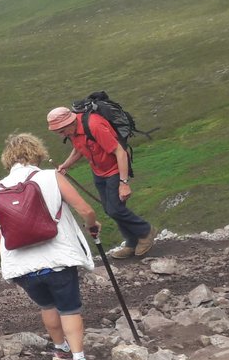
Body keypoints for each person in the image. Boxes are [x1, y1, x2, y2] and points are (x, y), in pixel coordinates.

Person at [0, 133, 102, 360]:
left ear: (8, 160)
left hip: (24, 268)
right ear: (37, 152)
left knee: (47, 306)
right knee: (69, 308)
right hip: (58, 259)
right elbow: (85, 210)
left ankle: (60, 351)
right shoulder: (51, 177)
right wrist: (93, 225)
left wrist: (13, 263)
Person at [47, 105, 155, 259]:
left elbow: (120, 152)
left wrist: (124, 183)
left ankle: (146, 231)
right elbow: (79, 148)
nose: (61, 135)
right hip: (98, 171)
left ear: (69, 123)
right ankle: (131, 242)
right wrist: (66, 165)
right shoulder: (73, 130)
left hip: (114, 170)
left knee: (115, 209)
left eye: (61, 131)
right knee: (109, 208)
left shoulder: (94, 125)